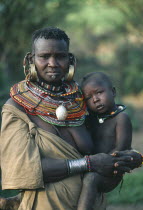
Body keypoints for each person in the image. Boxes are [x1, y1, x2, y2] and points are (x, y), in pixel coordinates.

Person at [0, 27, 142, 210]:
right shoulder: (17, 108)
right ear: (30, 59)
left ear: (70, 59)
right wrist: (88, 163)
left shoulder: (81, 102)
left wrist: (132, 156)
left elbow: (106, 144)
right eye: (44, 56)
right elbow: (22, 169)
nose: (52, 63)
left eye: (60, 56)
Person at [77, 72, 132, 209]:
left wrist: (100, 163)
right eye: (89, 97)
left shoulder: (121, 119)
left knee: (91, 179)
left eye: (99, 92)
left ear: (113, 92)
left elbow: (121, 149)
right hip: (91, 166)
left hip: (111, 171)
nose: (95, 99)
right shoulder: (90, 120)